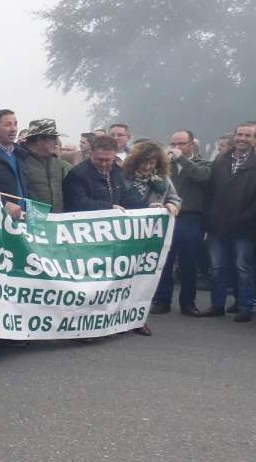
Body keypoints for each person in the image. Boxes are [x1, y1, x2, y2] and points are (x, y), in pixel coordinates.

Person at [200, 123, 256, 321]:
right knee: (217, 267)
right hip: (218, 225)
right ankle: (217, 305)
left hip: (245, 226)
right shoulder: (220, 161)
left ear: (255, 140)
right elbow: (209, 193)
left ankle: (245, 307)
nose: (243, 138)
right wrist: (209, 217)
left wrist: (245, 218)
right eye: (240, 134)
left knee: (242, 268)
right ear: (234, 137)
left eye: (248, 135)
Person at [122, 141, 181, 335]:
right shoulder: (124, 177)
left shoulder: (163, 179)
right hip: (127, 234)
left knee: (144, 279)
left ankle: (138, 319)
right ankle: (116, 317)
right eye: (144, 162)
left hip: (150, 238)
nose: (147, 167)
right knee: (124, 278)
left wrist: (171, 205)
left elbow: (175, 198)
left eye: (152, 163)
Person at [150, 130, 210, 316]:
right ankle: (162, 300)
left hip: (190, 217)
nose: (176, 148)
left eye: (181, 144)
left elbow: (202, 177)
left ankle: (188, 303)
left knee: (188, 263)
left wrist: (182, 160)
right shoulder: (165, 165)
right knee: (165, 261)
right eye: (173, 144)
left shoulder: (203, 163)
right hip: (168, 216)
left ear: (191, 144)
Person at [63, 134, 144, 212]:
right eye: (99, 159)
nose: (103, 164)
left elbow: (126, 198)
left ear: (114, 156)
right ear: (91, 153)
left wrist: (147, 206)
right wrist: (109, 208)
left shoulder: (118, 172)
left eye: (107, 160)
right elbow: (77, 202)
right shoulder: (77, 174)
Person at [17, 119, 68, 211]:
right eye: (52, 138)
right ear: (39, 140)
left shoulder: (57, 163)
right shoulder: (20, 161)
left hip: (57, 222)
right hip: (29, 222)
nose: (56, 142)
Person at [0, 109, 25, 218]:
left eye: (15, 124)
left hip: (23, 220)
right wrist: (4, 204)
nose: (13, 129)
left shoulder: (22, 154)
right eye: (8, 125)